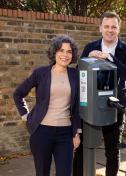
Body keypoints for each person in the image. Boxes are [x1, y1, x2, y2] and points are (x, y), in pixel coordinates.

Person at [73, 11, 126, 176]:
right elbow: (79, 74)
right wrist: (88, 59)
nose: (110, 30)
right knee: (82, 148)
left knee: (112, 151)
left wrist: (110, 58)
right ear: (100, 28)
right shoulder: (90, 47)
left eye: (114, 27)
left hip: (115, 107)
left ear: (119, 28)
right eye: (106, 26)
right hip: (90, 107)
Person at [13, 35, 81, 176]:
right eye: (61, 50)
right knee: (42, 172)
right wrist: (26, 116)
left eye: (69, 51)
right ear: (54, 52)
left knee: (65, 173)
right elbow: (18, 94)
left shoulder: (76, 75)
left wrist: (77, 133)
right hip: (41, 132)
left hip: (66, 134)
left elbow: (77, 108)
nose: (65, 54)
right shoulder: (41, 73)